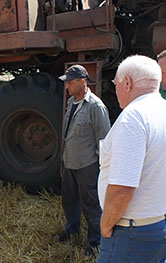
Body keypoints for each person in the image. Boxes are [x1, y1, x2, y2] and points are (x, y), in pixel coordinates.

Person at [97, 55, 166, 262]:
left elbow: (122, 189)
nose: (116, 89)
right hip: (158, 222)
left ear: (127, 82)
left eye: (116, 83)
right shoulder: (162, 109)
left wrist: (106, 224)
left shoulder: (133, 118)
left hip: (132, 231)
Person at [53, 65, 111, 256]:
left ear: (83, 82)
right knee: (69, 200)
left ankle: (95, 243)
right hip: (70, 162)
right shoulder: (71, 103)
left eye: (70, 82)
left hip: (87, 165)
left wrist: (101, 169)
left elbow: (103, 141)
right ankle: (72, 231)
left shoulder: (96, 106)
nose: (67, 86)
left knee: (91, 204)